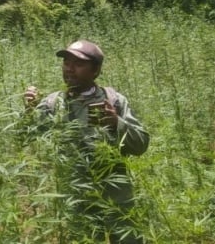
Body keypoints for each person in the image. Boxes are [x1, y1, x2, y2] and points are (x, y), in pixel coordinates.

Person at [23, 40, 150, 243]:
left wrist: (117, 123)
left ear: (96, 70)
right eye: (66, 63)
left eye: (78, 64)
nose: (69, 69)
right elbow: (26, 141)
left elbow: (141, 144)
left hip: (116, 196)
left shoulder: (114, 101)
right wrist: (29, 112)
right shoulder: (52, 103)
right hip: (76, 197)